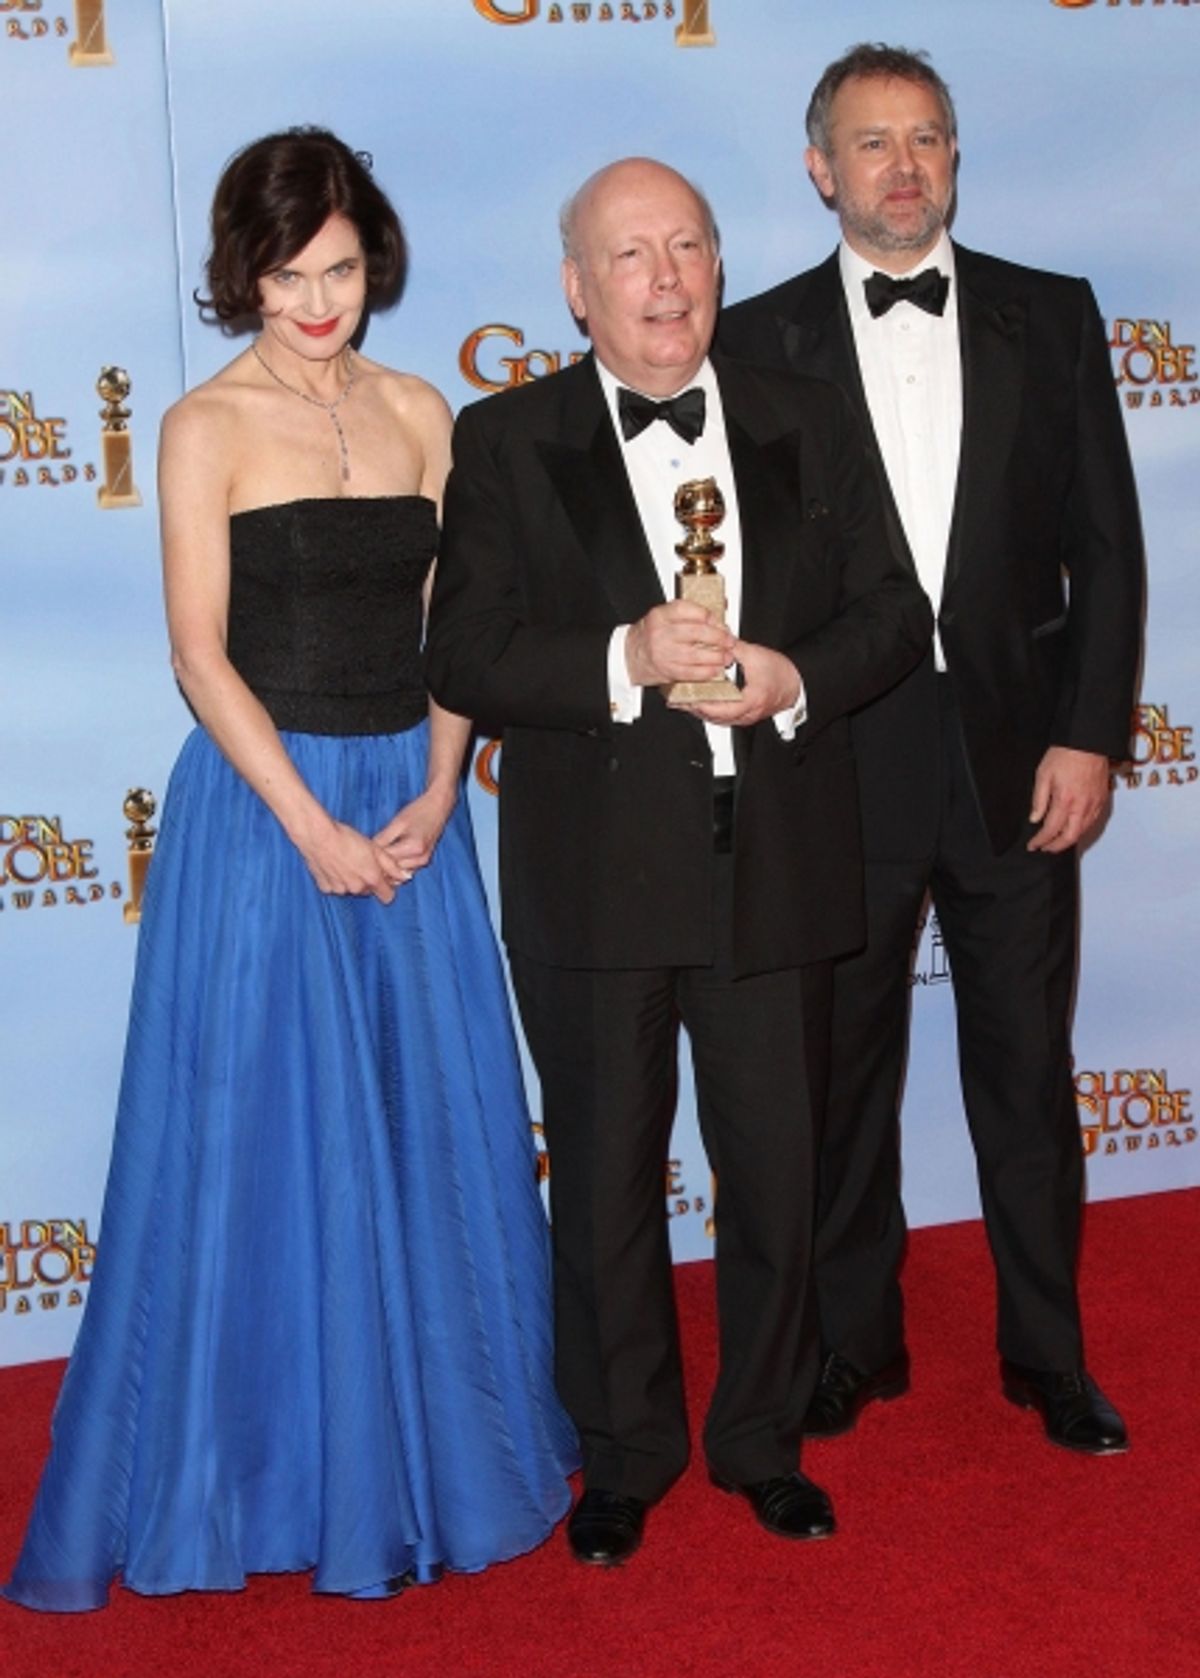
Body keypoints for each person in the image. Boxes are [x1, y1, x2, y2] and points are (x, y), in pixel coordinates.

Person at [3, 128, 576, 1614]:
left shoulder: (422, 411)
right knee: (263, 1152)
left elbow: (464, 619)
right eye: (282, 275)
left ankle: (441, 1457)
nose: (316, 303)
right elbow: (199, 653)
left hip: (410, 804)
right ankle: (265, 1473)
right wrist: (310, 826)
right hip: (267, 817)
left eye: (337, 270)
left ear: (371, 256)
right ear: (239, 275)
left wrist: (446, 783)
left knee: (430, 1133)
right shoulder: (205, 424)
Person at [425, 156, 931, 1567]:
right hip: (596, 881)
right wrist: (619, 657)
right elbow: (461, 653)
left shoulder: (807, 418)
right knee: (600, 1178)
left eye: (689, 246)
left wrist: (793, 674)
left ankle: (762, 1437)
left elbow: (895, 612)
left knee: (777, 1170)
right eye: (631, 254)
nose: (666, 277)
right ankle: (627, 1452)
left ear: (718, 263)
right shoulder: (505, 438)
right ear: (576, 288)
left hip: (777, 860)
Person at [720, 45, 1144, 1454]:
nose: (902, 166)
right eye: (871, 141)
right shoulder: (754, 340)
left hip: (1020, 765)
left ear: (955, 159)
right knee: (841, 1076)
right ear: (818, 168)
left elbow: (1109, 553)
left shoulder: (1053, 315)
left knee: (1025, 1071)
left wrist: (1090, 734)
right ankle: (856, 1344)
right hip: (833, 764)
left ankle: (1049, 1357)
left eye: (926, 139)